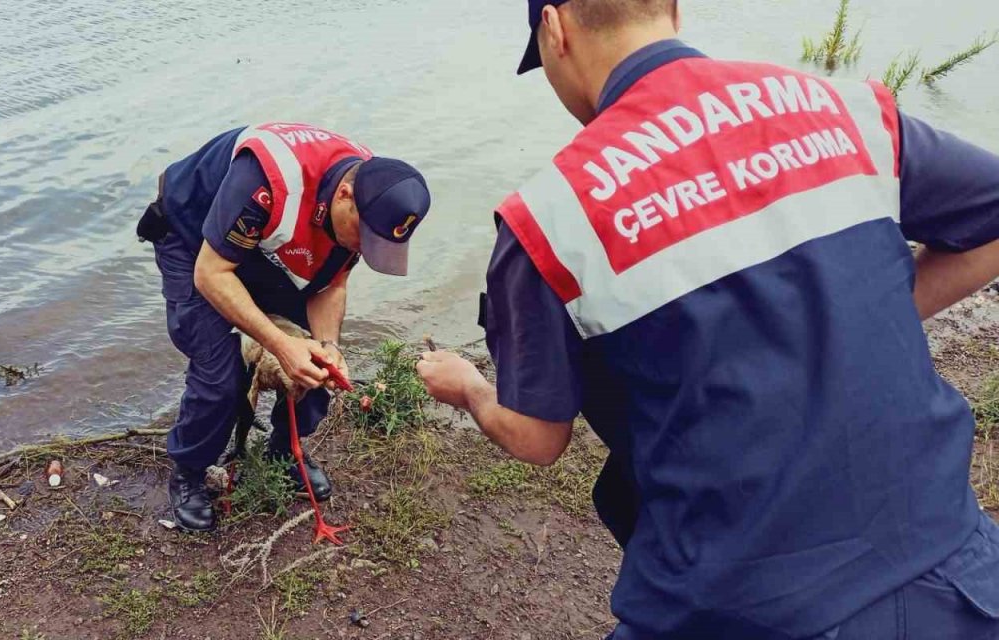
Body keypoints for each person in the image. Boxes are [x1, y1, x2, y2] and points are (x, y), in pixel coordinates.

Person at [415, 2, 999, 638]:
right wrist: (867, 304)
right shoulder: (846, 109)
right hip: (955, 570)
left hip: (738, 606)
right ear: (672, 9)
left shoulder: (550, 219)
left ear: (554, 30)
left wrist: (467, 386)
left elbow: (537, 438)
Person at [139, 122, 431, 533]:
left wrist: (327, 344)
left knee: (315, 361)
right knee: (218, 371)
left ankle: (284, 451)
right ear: (344, 195)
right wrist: (278, 343)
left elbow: (332, 284)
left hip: (262, 240)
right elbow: (212, 273)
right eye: (363, 237)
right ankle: (188, 471)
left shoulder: (373, 199)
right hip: (192, 241)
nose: (364, 249)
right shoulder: (269, 179)